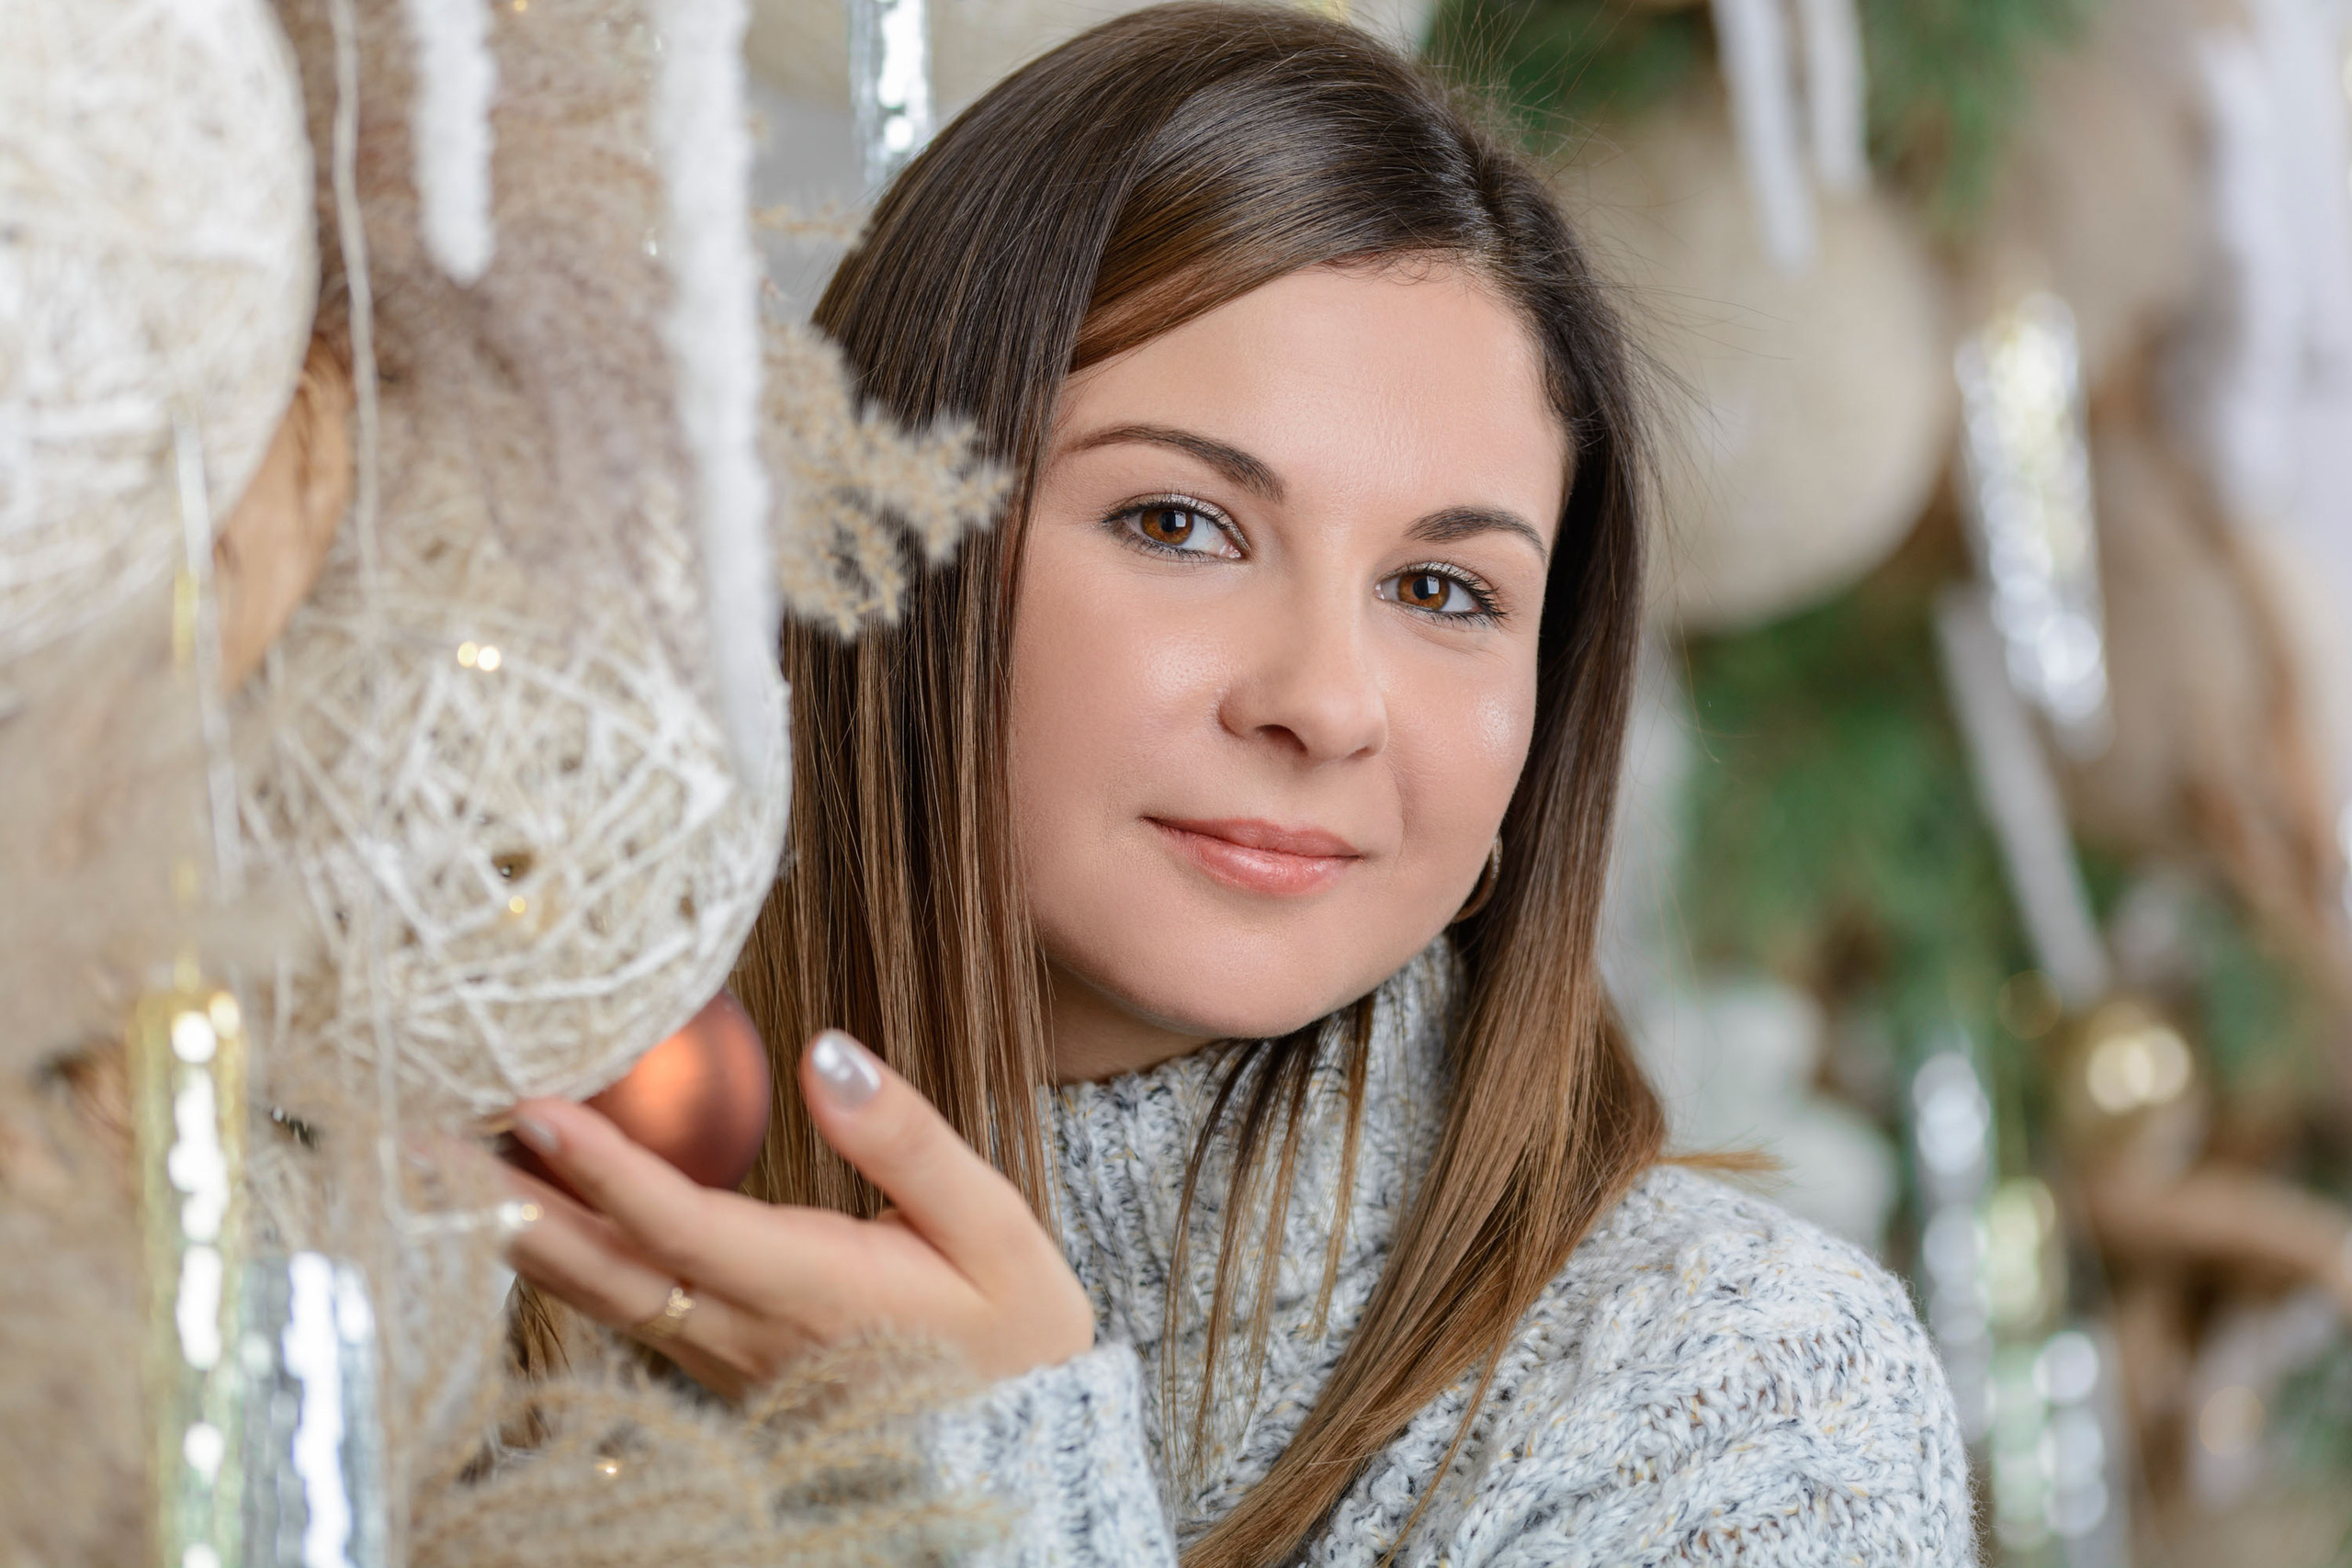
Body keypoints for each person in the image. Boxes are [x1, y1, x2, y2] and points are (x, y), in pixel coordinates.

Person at [501, 6, 1975, 1562]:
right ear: (892, 552)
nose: (1325, 706)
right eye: (1181, 525)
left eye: (1443, 592)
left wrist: (988, 1482)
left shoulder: (1744, 1394)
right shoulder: (488, 1229)